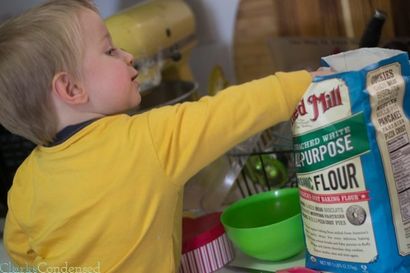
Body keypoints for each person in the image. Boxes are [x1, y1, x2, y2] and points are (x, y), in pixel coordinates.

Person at [0, 0, 327, 272]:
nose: (127, 55)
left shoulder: (25, 182)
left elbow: (20, 253)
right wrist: (304, 83)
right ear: (71, 89)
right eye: (110, 51)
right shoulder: (147, 140)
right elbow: (231, 112)